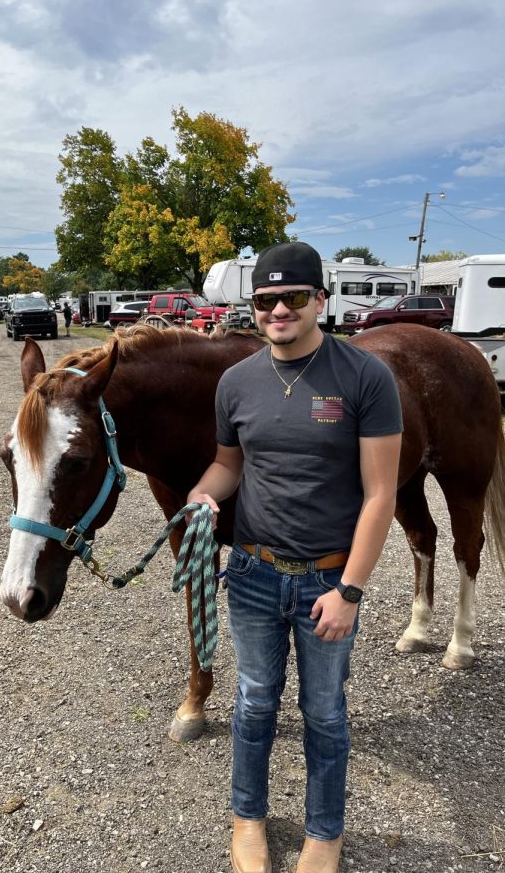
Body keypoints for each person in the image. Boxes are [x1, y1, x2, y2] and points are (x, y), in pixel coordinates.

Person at [187, 242, 402, 873]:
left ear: (320, 301)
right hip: (251, 572)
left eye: (294, 298)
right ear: (252, 307)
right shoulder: (235, 382)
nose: (278, 309)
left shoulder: (364, 377)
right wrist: (203, 496)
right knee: (254, 702)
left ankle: (324, 835)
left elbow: (381, 494)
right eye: (265, 299)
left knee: (325, 711)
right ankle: (247, 822)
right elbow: (230, 466)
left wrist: (351, 590)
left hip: (328, 578)